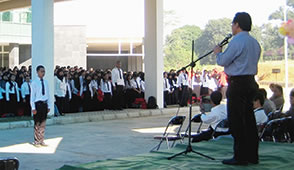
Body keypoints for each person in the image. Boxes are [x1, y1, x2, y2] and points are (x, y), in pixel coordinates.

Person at [214, 12, 261, 165]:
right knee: (249, 119)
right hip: (250, 83)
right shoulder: (254, 43)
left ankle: (240, 156)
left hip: (237, 84)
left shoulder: (236, 41)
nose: (232, 27)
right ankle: (252, 155)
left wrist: (218, 53)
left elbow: (223, 61)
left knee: (237, 121)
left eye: (233, 24)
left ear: (237, 24)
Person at [30, 65, 51, 147]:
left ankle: (41, 139)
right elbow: (32, 96)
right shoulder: (34, 82)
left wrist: (49, 105)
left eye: (44, 71)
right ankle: (36, 140)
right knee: (37, 123)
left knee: (43, 123)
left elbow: (48, 94)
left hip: (44, 104)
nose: (43, 73)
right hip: (37, 104)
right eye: (41, 71)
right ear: (37, 72)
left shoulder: (46, 82)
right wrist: (33, 108)